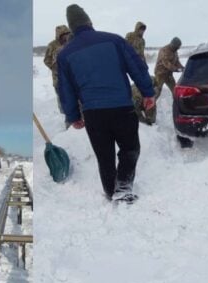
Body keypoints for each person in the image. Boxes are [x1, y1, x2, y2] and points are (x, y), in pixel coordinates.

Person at [57, 4, 155, 203]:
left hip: (94, 114)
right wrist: (147, 92)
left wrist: (73, 115)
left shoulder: (65, 55)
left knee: (104, 155)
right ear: (89, 22)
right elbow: (137, 67)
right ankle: (124, 187)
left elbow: (65, 90)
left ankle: (111, 191)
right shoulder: (114, 40)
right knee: (130, 148)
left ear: (72, 28)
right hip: (122, 108)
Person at [44, 25, 72, 115]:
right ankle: (67, 119)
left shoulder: (72, 43)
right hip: (58, 80)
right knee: (63, 100)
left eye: (68, 33)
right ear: (59, 35)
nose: (66, 36)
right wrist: (55, 68)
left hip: (72, 78)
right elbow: (46, 60)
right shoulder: (52, 45)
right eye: (64, 34)